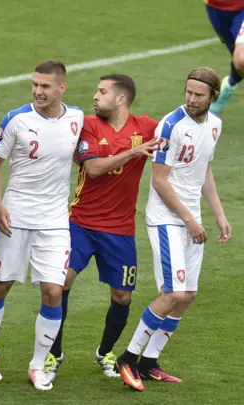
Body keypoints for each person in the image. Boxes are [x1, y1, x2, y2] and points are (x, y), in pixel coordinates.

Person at [116, 67, 231, 392]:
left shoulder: (215, 126)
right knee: (173, 293)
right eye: (188, 92)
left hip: (191, 218)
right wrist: (191, 221)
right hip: (167, 219)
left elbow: (203, 169)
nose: (191, 99)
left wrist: (218, 214)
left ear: (213, 97)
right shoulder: (171, 125)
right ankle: (128, 358)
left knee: (188, 296)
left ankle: (150, 362)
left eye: (199, 95)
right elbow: (160, 180)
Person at [43, 75, 160, 382]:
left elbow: (175, 134)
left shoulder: (146, 127)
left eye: (103, 91)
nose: (95, 96)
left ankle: (105, 351)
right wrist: (132, 153)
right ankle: (53, 354)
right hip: (80, 223)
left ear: (121, 99)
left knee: (122, 297)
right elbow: (93, 169)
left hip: (120, 230)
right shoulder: (90, 126)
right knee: (59, 285)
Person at [0, 60, 83, 391]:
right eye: (35, 85)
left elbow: (84, 157)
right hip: (16, 218)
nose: (38, 91)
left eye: (45, 86)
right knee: (0, 285)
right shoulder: (17, 119)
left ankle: (38, 366)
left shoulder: (77, 119)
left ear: (61, 87)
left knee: (54, 291)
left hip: (54, 222)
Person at [205, 0, 244, 112]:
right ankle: (231, 83)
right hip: (215, 7)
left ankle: (229, 86)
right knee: (238, 61)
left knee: (241, 59)